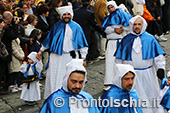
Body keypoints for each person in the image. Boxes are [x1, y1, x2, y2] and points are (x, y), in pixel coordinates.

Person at [114, 15, 166, 113]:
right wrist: (118, 73)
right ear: (131, 25)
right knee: (133, 98)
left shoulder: (150, 39)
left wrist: (161, 68)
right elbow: (118, 59)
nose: (137, 26)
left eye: (139, 24)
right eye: (135, 24)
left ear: (143, 25)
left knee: (150, 96)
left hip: (148, 74)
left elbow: (159, 56)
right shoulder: (125, 40)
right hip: (131, 76)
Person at [36, 6, 88, 99]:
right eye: (64, 14)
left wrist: (83, 58)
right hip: (56, 57)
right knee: (55, 76)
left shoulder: (76, 27)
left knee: (70, 77)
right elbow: (48, 40)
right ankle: (55, 96)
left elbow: (82, 44)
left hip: (70, 57)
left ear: (71, 15)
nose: (66, 16)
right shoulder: (56, 26)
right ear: (61, 15)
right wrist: (41, 51)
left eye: (68, 14)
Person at [102, 1, 132, 91]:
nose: (111, 9)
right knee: (110, 62)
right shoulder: (107, 18)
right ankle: (109, 82)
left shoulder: (122, 14)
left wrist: (121, 29)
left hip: (121, 42)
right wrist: (114, 29)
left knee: (122, 62)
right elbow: (106, 29)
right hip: (111, 43)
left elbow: (129, 25)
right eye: (109, 8)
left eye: (112, 7)